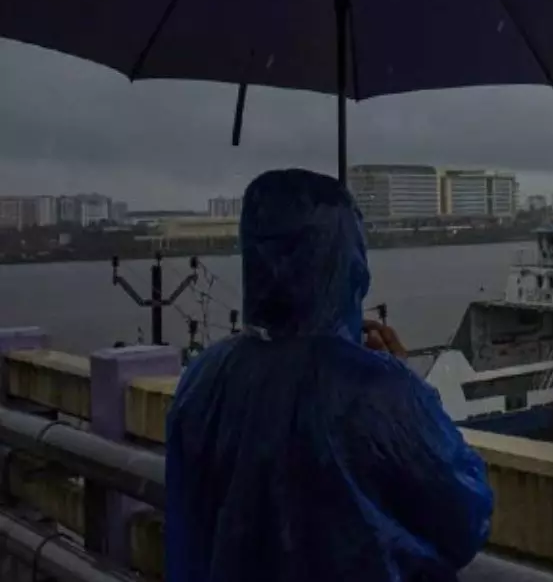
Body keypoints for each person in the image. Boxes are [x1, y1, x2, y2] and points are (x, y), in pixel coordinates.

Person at [165, 168, 493, 582]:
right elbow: (465, 518)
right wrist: (405, 383)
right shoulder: (375, 394)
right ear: (349, 263)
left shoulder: (202, 378)